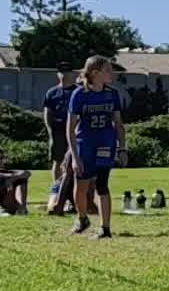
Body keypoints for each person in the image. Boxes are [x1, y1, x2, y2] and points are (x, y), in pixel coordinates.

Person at [66, 55, 126, 238]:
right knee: (81, 185)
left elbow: (119, 124)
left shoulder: (112, 94)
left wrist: (122, 148)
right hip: (85, 144)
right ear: (94, 73)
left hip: (105, 143)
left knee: (102, 184)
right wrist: (74, 157)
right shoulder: (79, 94)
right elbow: (70, 128)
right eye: (107, 70)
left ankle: (105, 228)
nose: (111, 73)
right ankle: (82, 218)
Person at [41, 62, 76, 213]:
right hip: (58, 131)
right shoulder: (52, 92)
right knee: (58, 161)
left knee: (73, 162)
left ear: (72, 74)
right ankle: (57, 192)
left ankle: (72, 194)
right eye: (61, 72)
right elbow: (47, 113)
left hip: (74, 131)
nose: (64, 74)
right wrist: (50, 132)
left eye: (67, 72)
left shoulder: (78, 91)